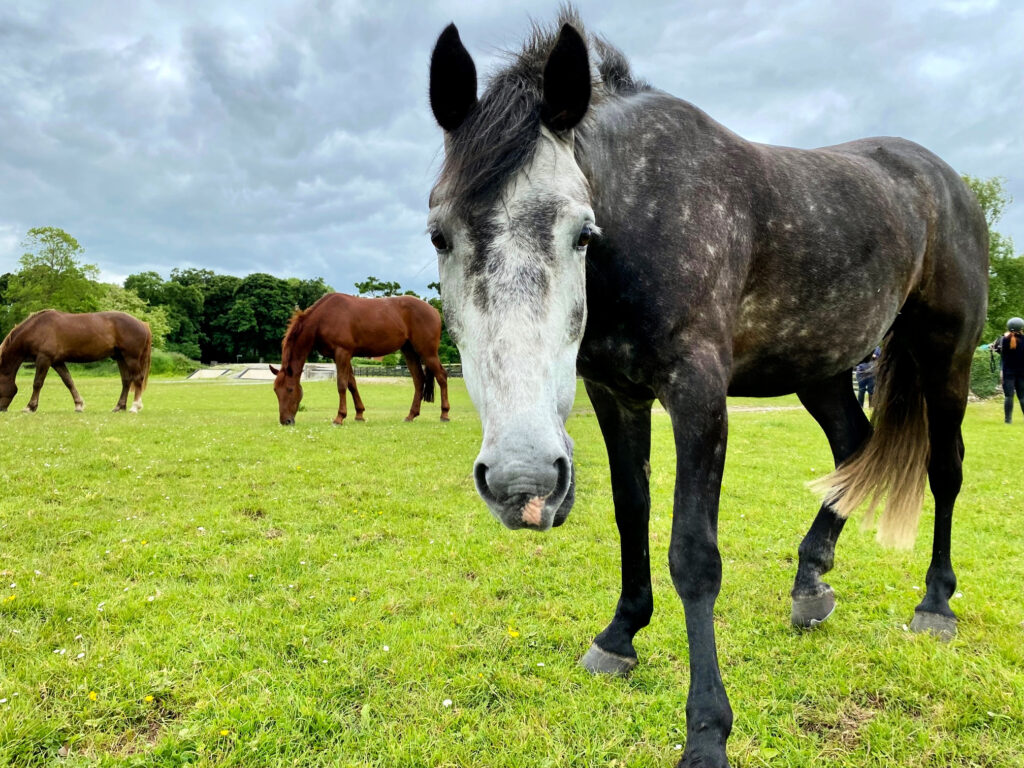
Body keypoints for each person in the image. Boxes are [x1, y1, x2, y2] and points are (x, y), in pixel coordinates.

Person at [992, 316, 1024, 424]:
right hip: (1022, 372)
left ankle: (1008, 420)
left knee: (1008, 396)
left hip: (1007, 372)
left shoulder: (1003, 339)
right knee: (1022, 396)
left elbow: (996, 349)